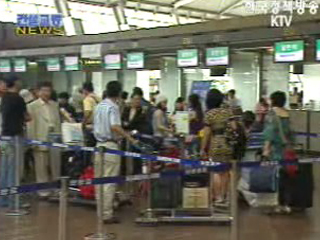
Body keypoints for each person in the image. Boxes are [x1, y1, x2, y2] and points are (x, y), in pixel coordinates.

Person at [93, 81, 138, 224]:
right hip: (111, 147)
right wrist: (129, 137)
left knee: (99, 181)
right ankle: (107, 214)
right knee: (109, 181)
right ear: (119, 93)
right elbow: (115, 127)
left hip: (98, 145)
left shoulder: (99, 105)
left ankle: (100, 211)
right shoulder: (113, 107)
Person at [200, 89, 236, 206]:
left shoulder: (209, 114)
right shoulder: (227, 112)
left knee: (215, 171)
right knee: (225, 171)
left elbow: (206, 134)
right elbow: (234, 127)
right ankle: (224, 196)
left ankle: (217, 196)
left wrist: (202, 148)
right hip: (227, 143)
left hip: (215, 143)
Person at [27, 82, 61, 198]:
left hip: (54, 139)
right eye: (44, 90)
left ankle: (56, 188)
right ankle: (43, 190)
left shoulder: (55, 105)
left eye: (49, 91)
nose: (47, 93)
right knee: (41, 167)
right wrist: (32, 141)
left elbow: (58, 123)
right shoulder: (32, 106)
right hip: (40, 139)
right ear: (38, 92)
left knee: (55, 166)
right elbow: (30, 125)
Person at [263, 91, 295, 214]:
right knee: (286, 177)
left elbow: (269, 134)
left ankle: (276, 203)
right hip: (287, 149)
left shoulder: (272, 114)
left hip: (275, 149)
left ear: (273, 100)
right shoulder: (287, 113)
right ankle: (286, 203)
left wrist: (266, 150)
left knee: (275, 176)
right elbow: (291, 133)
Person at [0, 76, 30, 208]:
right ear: (16, 83)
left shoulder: (4, 98)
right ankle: (13, 200)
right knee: (14, 170)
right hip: (15, 138)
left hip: (3, 138)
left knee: (4, 169)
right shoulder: (18, 98)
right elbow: (27, 117)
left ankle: (3, 200)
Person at [82, 81, 101, 146]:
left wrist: (83, 124)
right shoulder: (98, 98)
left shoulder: (87, 99)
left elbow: (87, 112)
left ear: (85, 90)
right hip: (99, 126)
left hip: (90, 127)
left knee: (89, 148)